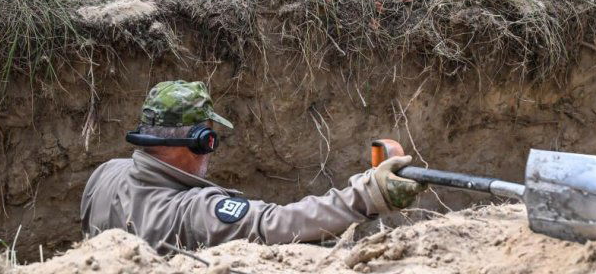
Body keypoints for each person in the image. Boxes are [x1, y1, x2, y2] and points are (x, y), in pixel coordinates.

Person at [80, 80, 425, 253]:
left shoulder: (104, 174)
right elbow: (275, 223)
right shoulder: (192, 210)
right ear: (203, 140)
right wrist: (369, 194)